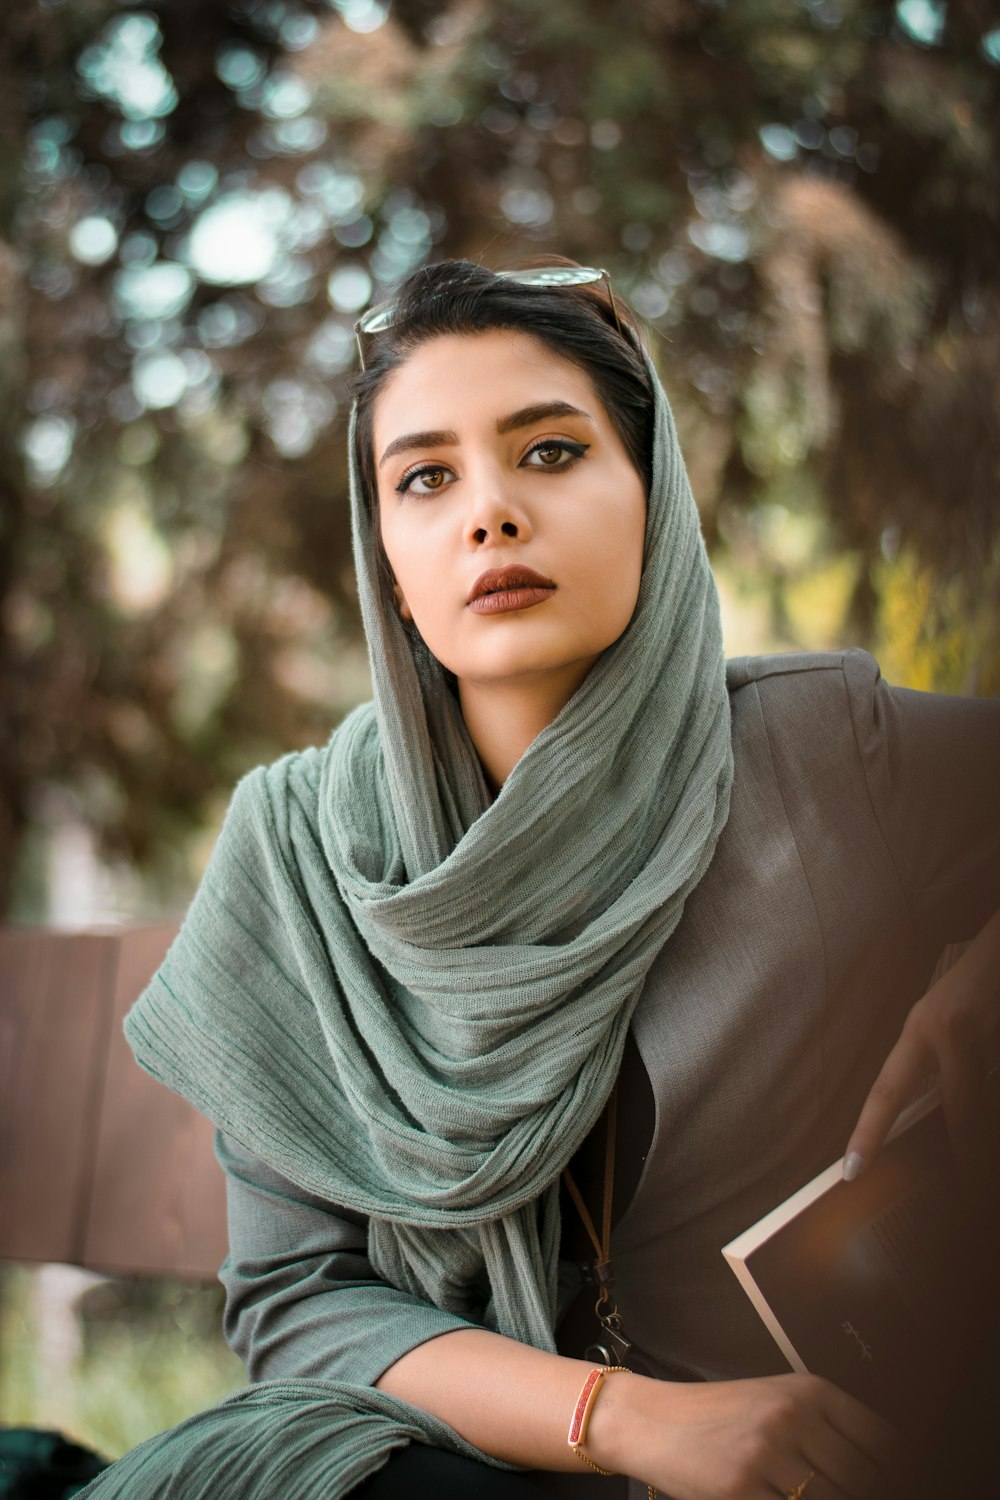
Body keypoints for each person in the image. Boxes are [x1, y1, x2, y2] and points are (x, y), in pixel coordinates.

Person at [79, 261, 1000, 1500]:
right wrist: (631, 1422)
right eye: (425, 478)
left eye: (551, 454)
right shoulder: (302, 852)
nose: (490, 513)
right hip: (478, 1467)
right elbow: (302, 1300)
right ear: (388, 563)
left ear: (651, 492)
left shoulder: (828, 758)